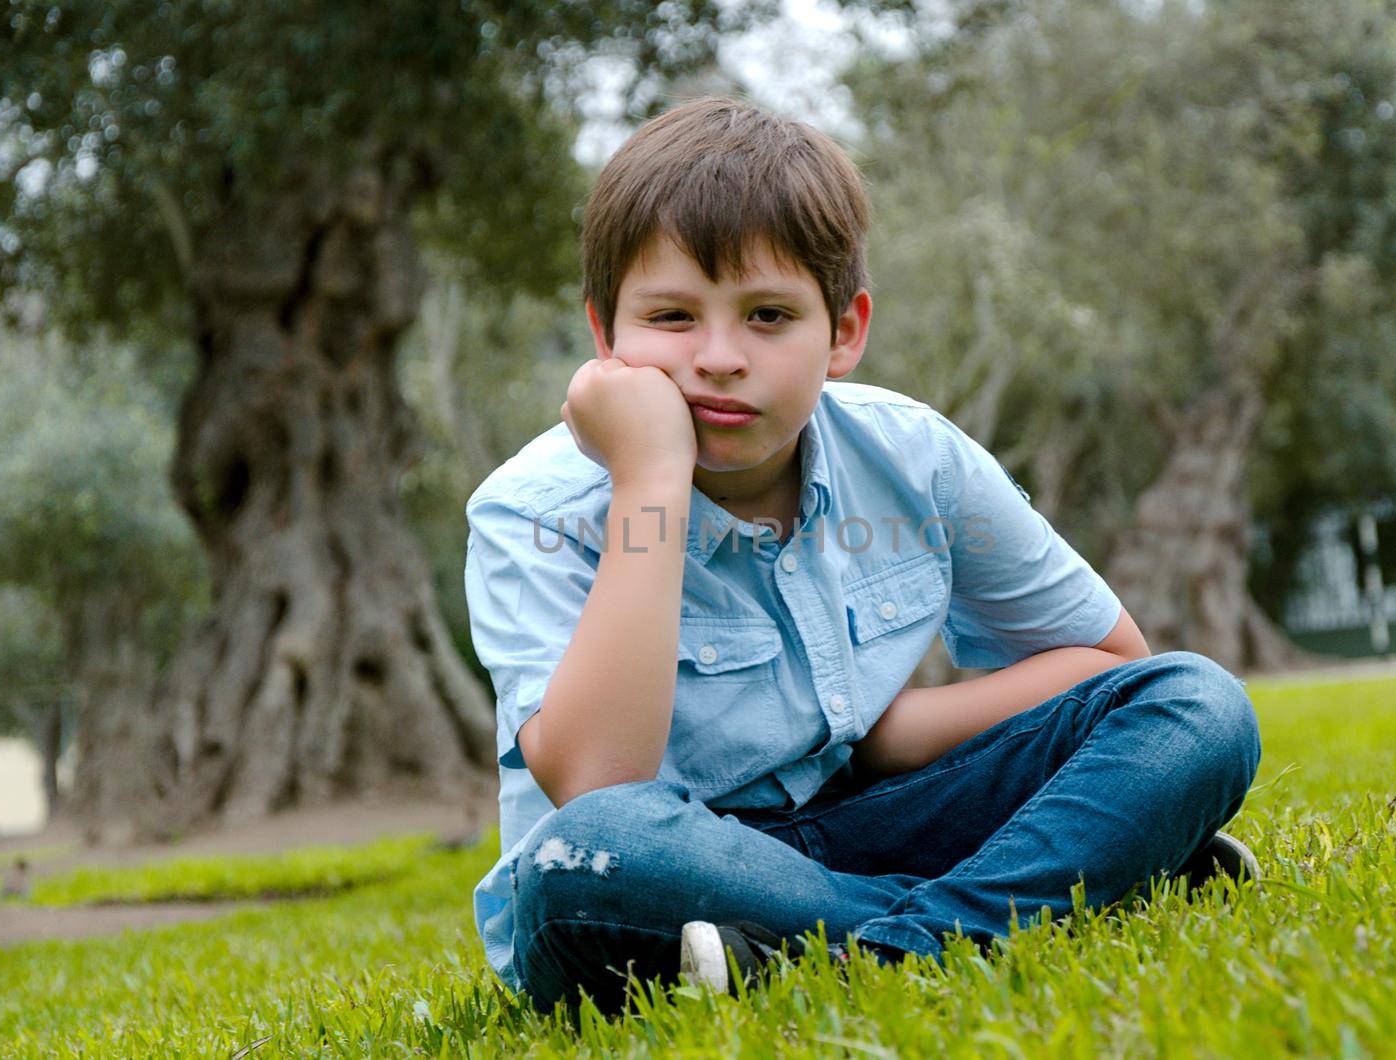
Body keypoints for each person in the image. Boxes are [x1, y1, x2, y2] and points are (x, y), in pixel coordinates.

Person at [466, 96, 1262, 1016]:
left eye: (768, 316)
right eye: (673, 317)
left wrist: (893, 737)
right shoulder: (534, 513)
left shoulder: (914, 459)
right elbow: (600, 787)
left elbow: (1113, 664)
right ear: (606, 334)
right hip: (670, 864)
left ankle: (854, 949)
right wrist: (651, 480)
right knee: (586, 859)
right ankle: (1041, 896)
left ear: (844, 331)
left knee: (1195, 703)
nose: (719, 358)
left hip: (873, 830)